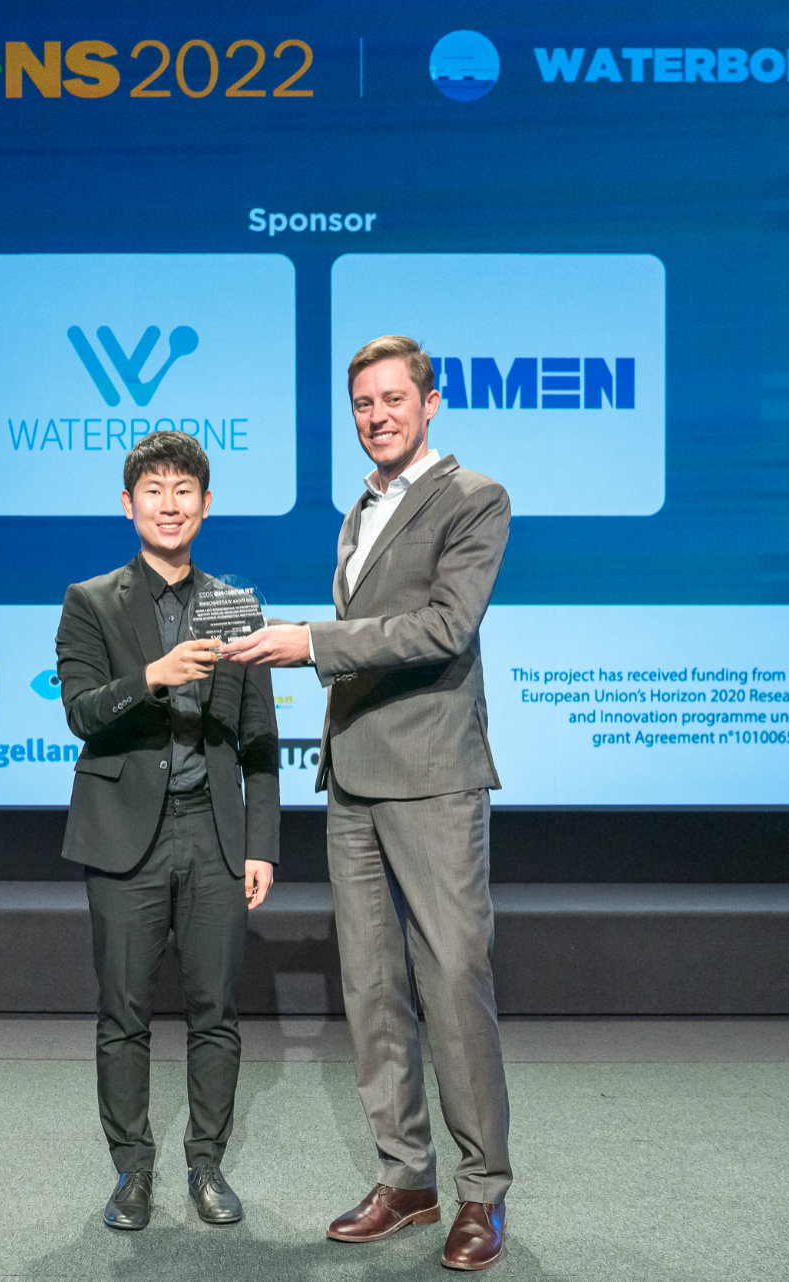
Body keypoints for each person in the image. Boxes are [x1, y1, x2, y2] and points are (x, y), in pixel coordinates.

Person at [223, 335, 512, 1270]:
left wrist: (310, 643)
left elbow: (444, 627)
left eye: (392, 399)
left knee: (453, 982)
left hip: (433, 774)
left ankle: (481, 1194)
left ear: (430, 403)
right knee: (373, 988)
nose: (377, 416)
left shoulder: (474, 499)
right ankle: (407, 1179)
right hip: (351, 778)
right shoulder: (360, 510)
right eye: (362, 404)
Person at [54, 430, 280, 1231]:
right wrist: (150, 677)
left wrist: (260, 844)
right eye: (154, 490)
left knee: (216, 1008)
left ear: (205, 505)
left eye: (184, 490)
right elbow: (80, 711)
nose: (170, 504)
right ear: (129, 504)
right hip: (125, 838)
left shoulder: (235, 605)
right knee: (124, 1012)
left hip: (214, 836)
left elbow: (259, 737)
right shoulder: (91, 601)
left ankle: (206, 1165)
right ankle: (132, 1171)